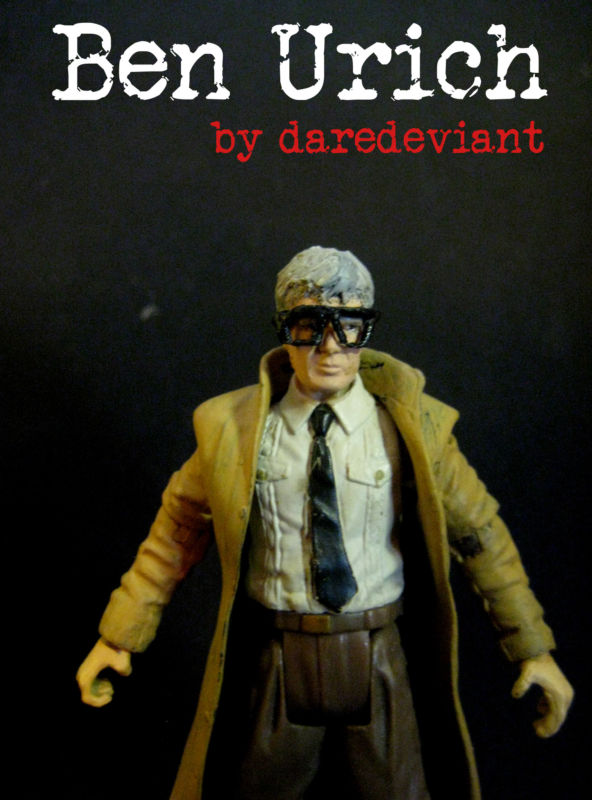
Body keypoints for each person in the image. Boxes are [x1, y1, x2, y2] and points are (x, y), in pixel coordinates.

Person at [77, 247, 573, 800]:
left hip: (378, 655)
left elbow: (481, 538)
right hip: (279, 659)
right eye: (310, 325)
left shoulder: (414, 431)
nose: (331, 346)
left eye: (350, 325)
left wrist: (532, 648)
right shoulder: (234, 432)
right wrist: (119, 637)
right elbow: (175, 533)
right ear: (285, 330)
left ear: (366, 330)